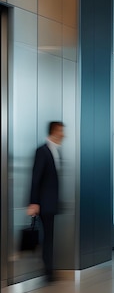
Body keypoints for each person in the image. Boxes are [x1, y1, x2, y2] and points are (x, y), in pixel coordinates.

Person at [28, 121, 64, 282]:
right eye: (61, 131)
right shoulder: (42, 151)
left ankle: (49, 270)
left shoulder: (56, 152)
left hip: (50, 203)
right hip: (43, 203)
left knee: (49, 236)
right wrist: (33, 202)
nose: (63, 134)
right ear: (54, 131)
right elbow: (36, 178)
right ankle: (47, 271)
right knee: (47, 237)